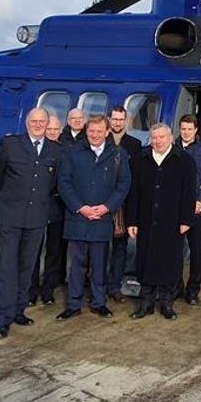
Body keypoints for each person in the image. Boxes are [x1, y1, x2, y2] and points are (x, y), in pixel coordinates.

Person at [0, 108, 61, 339]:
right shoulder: (10, 145)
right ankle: (2, 318)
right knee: (6, 268)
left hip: (37, 218)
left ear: (47, 124)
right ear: (27, 123)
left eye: (42, 121)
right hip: (9, 216)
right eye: (34, 121)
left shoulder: (55, 150)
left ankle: (19, 310)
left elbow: (53, 185)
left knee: (27, 268)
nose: (38, 125)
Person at [55, 115, 131, 320]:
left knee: (99, 264)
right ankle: (73, 304)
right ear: (86, 132)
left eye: (99, 131)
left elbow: (123, 184)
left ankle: (99, 303)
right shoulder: (72, 153)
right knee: (76, 265)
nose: (95, 135)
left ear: (107, 132)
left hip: (102, 218)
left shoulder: (118, 154)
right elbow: (64, 183)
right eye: (91, 131)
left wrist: (106, 207)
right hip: (78, 217)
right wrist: (80, 208)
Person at [126, 123, 197, 320]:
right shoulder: (141, 159)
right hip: (146, 219)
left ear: (170, 137)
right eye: (154, 138)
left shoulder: (184, 161)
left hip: (172, 221)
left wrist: (186, 220)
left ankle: (167, 303)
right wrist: (132, 220)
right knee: (145, 260)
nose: (157, 141)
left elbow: (189, 193)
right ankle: (146, 303)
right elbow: (134, 193)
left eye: (161, 137)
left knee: (169, 262)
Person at [177, 114, 201, 306]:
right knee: (174, 251)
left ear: (195, 131)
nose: (185, 132)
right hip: (175, 210)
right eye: (183, 129)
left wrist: (200, 202)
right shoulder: (171, 148)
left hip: (196, 211)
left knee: (196, 252)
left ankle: (193, 291)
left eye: (189, 129)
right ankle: (176, 286)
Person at [28, 114, 66, 305]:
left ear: (60, 131)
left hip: (55, 208)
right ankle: (31, 289)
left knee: (53, 252)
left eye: (54, 130)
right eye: (48, 129)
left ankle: (48, 289)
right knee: (32, 251)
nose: (51, 132)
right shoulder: (32, 150)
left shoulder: (62, 152)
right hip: (34, 209)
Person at [106, 106, 142, 304]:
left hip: (124, 206)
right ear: (109, 120)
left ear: (126, 121)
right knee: (99, 249)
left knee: (120, 249)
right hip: (102, 204)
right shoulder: (101, 141)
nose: (118, 123)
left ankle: (114, 287)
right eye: (115, 119)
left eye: (121, 119)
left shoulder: (134, 145)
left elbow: (135, 179)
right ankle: (97, 285)